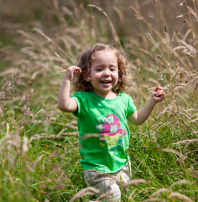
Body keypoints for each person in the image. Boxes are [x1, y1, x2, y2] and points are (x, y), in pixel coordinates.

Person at [58, 43, 165, 201]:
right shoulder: (83, 99)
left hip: (121, 163)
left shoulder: (123, 99)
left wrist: (152, 101)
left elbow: (137, 119)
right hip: (96, 167)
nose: (106, 73)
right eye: (99, 69)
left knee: (124, 195)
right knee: (113, 196)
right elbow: (64, 105)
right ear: (87, 75)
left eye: (112, 69)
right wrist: (67, 80)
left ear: (119, 73)